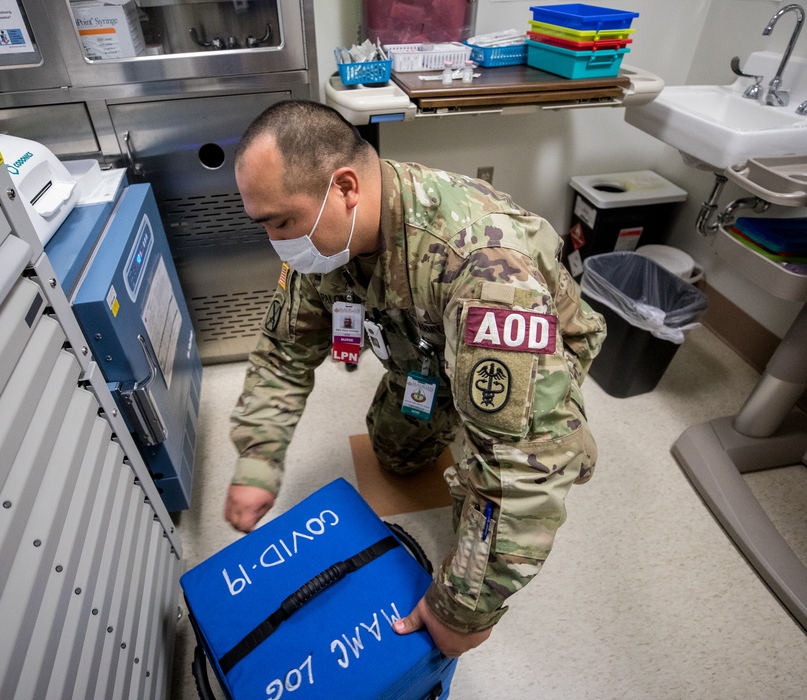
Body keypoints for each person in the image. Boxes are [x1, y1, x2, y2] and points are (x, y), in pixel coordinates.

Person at [225, 100, 606, 657]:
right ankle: (457, 409)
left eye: (282, 221)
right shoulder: (328, 244)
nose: (277, 241)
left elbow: (522, 465)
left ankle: (567, 432)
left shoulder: (481, 262)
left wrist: (461, 610)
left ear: (346, 188)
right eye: (266, 225)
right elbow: (285, 348)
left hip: (527, 351)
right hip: (427, 358)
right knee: (396, 456)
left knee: (510, 469)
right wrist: (258, 459)